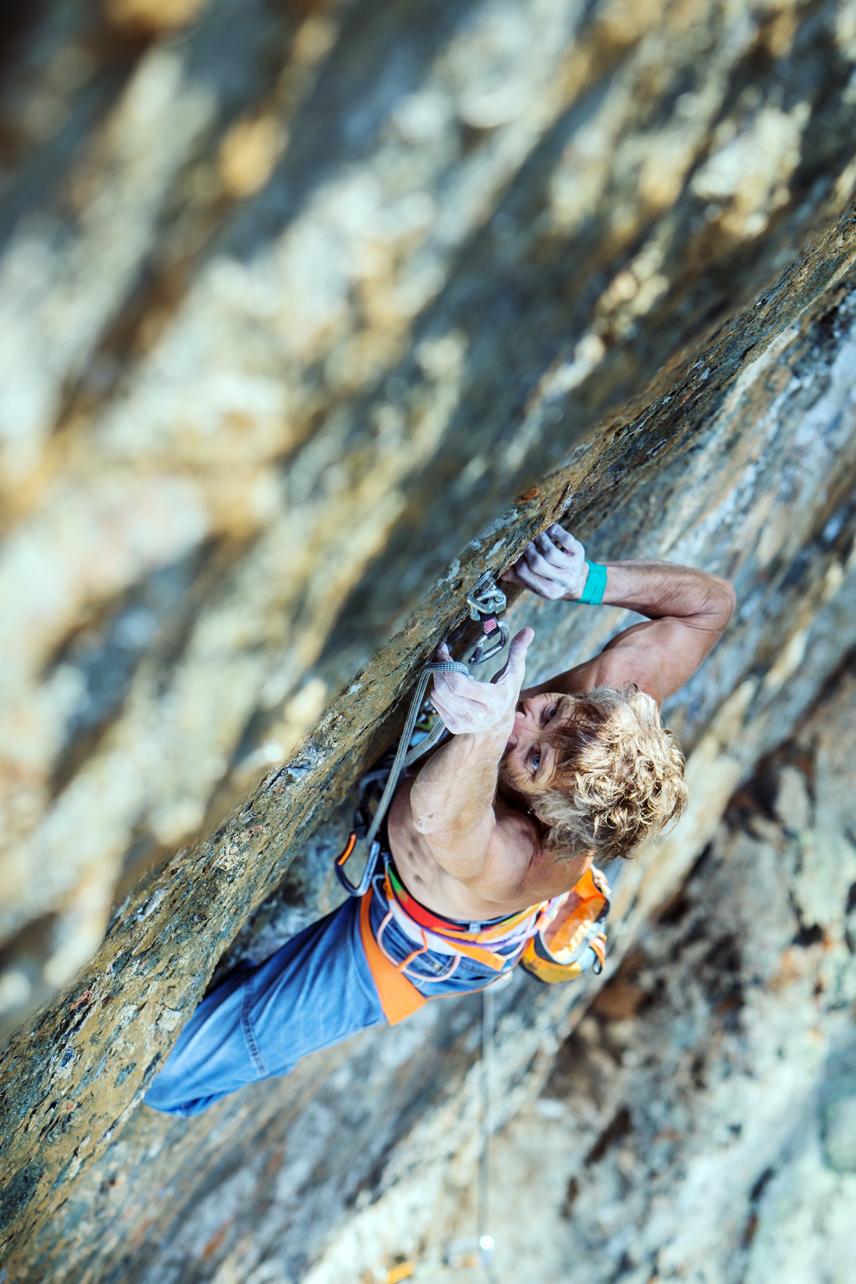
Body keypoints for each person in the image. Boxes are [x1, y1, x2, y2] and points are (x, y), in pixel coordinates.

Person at [143, 524, 735, 1116]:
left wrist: (485, 730)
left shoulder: (529, 863)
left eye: (534, 758)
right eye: (549, 708)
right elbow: (711, 607)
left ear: (551, 819)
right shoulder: (601, 714)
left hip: (417, 940)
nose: (528, 719)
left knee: (171, 1077)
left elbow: (437, 817)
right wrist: (589, 580)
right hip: (438, 854)